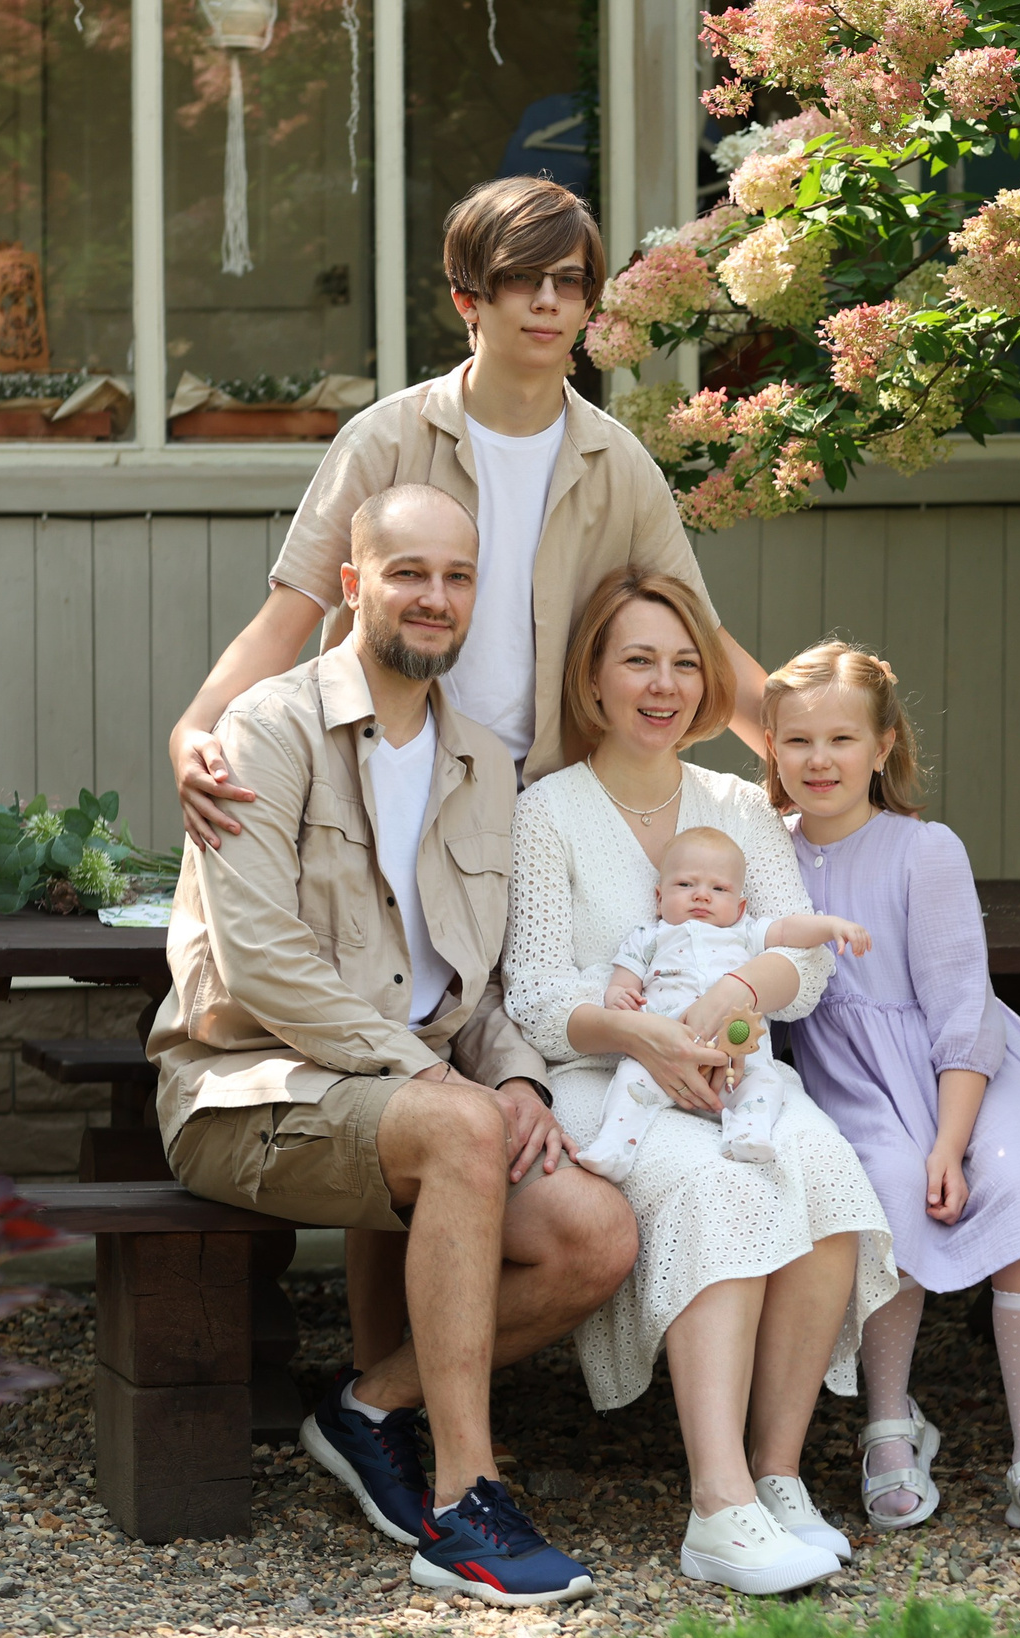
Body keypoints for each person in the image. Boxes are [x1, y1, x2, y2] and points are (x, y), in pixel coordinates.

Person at [167, 174, 769, 1374]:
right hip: (378, 784)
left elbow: (702, 647)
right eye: (522, 282)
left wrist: (811, 766)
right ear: (469, 300)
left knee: (467, 1067)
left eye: (571, 285)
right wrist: (198, 724)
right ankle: (403, 1414)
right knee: (406, 1058)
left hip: (523, 824)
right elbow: (293, 611)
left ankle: (392, 1403)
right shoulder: (387, 438)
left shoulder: (615, 463)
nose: (549, 305)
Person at [145, 484, 635, 1606]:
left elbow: (487, 979)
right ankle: (465, 1505)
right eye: (408, 572)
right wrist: (441, 1081)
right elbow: (263, 967)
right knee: (462, 1122)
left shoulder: (479, 760)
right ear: (356, 583)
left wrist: (512, 1077)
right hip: (246, 1087)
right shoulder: (264, 731)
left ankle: (366, 1407)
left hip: (414, 1098)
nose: (435, 597)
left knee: (596, 1236)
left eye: (457, 578)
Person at [503, 568, 901, 1598]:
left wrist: (725, 1000)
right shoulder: (546, 812)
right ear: (592, 679)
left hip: (735, 1063)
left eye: (686, 663)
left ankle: (775, 1478)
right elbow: (539, 991)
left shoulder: (736, 801)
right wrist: (645, 1037)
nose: (664, 683)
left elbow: (801, 966)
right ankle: (715, 1508)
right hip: (607, 1079)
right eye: (638, 659)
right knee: (715, 1186)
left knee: (820, 1170)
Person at [761, 641, 1020, 1541]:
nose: (819, 760)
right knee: (882, 1194)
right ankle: (888, 1426)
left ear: (883, 747)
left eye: (842, 738)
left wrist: (951, 1141)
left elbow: (964, 1009)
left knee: (1016, 1188)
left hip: (969, 1075)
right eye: (797, 740)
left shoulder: (924, 850)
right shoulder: (768, 855)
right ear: (770, 747)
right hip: (856, 1086)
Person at [591, 826, 871, 1176]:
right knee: (630, 1078)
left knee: (768, 1082)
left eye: (718, 888)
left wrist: (830, 926)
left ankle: (748, 1132)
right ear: (658, 897)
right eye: (685, 885)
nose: (701, 896)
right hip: (662, 1053)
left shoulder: (744, 932)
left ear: (739, 906)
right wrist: (619, 997)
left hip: (736, 1059)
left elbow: (787, 931)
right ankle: (613, 1146)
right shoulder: (649, 936)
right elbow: (622, 983)